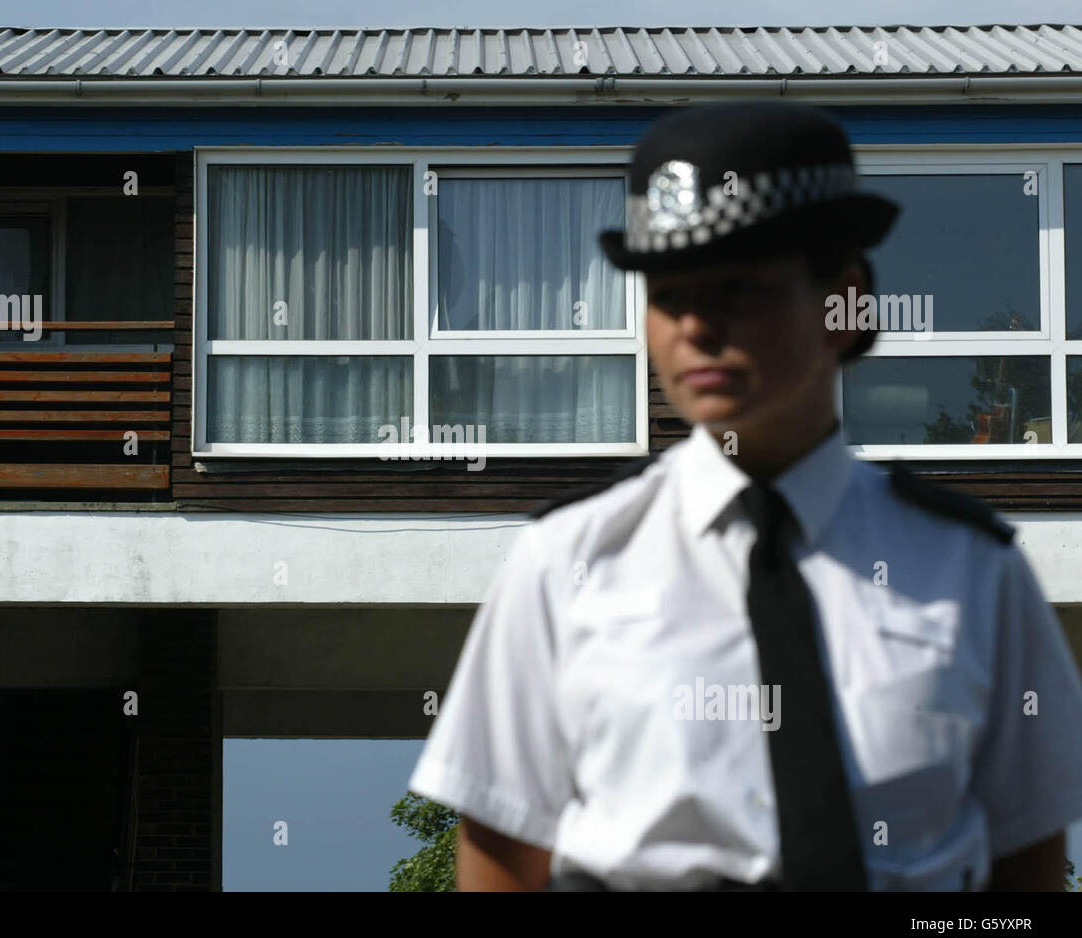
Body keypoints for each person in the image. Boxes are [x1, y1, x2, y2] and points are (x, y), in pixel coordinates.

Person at [407, 101, 1082, 891]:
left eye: (739, 286)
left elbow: (1024, 871)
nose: (694, 324)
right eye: (667, 291)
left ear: (847, 301)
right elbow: (502, 861)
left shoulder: (974, 569)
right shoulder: (568, 563)